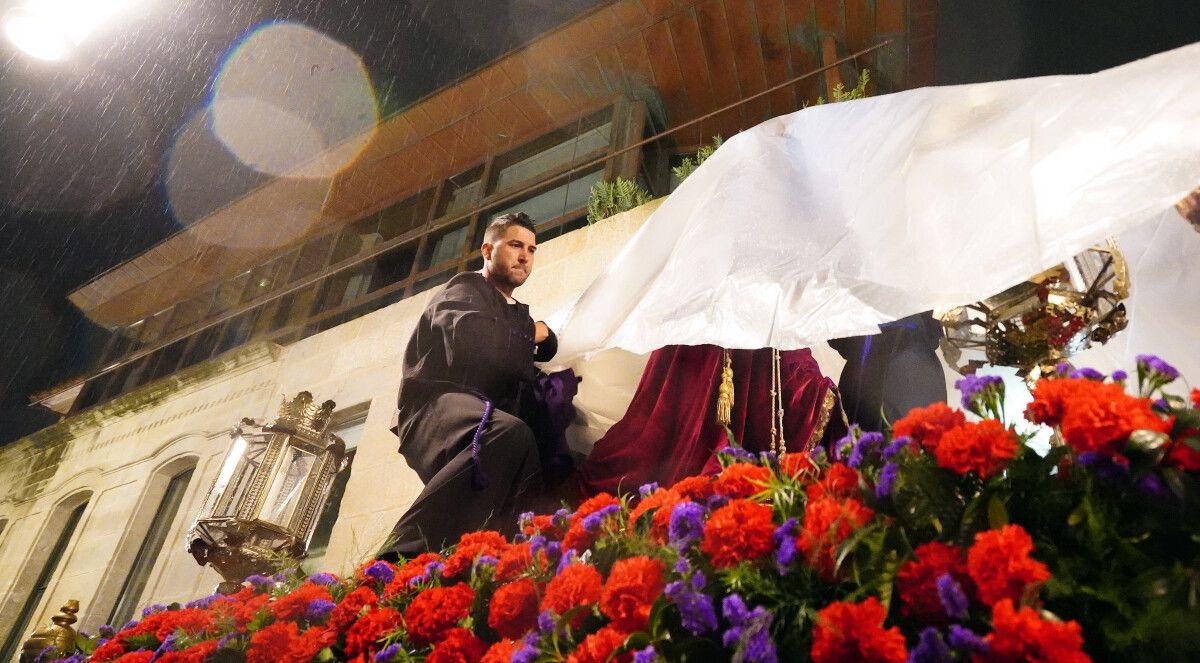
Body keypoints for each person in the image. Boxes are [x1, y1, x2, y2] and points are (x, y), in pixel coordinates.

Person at [378, 212, 557, 560]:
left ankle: (479, 566)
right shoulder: (464, 288)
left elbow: (528, 357)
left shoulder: (517, 312)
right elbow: (475, 341)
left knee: (532, 459)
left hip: (476, 414)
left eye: (532, 250)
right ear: (488, 250)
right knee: (507, 434)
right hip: (432, 408)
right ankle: (394, 559)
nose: (525, 257)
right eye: (516, 245)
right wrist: (536, 333)